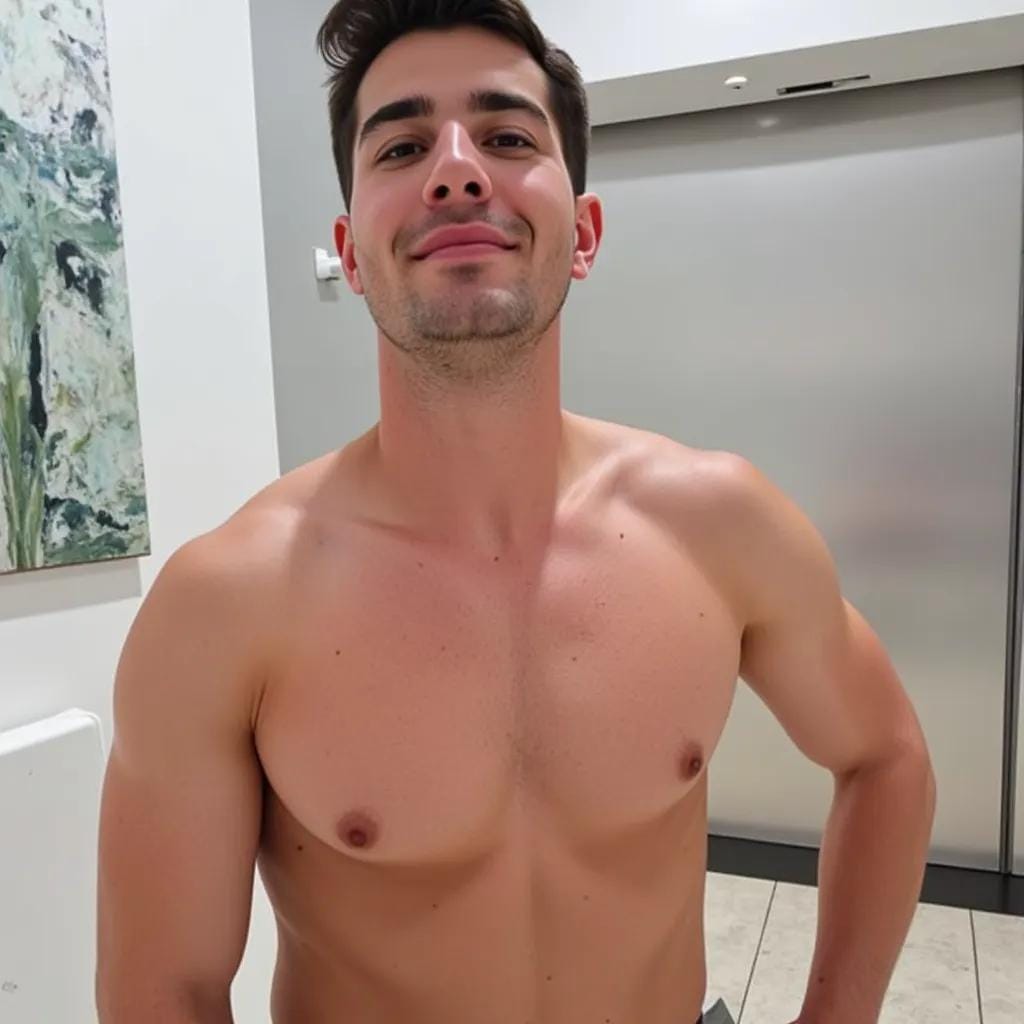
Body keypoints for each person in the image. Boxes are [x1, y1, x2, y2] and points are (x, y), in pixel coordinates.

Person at [95, 2, 938, 1023]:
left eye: (505, 137)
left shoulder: (720, 526)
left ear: (583, 233)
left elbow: (884, 754)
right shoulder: (227, 604)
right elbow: (163, 988)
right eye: (401, 146)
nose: (456, 170)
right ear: (350, 254)